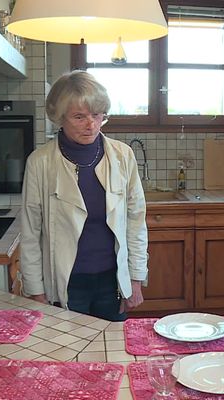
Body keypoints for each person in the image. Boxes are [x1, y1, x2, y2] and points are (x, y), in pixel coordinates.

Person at [20, 70, 148, 321]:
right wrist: (36, 291)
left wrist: (135, 278)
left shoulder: (122, 157)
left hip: (112, 283)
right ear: (60, 118)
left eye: (97, 115)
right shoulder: (40, 162)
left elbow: (136, 221)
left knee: (112, 354)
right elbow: (30, 232)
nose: (91, 124)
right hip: (65, 284)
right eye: (79, 117)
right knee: (66, 356)